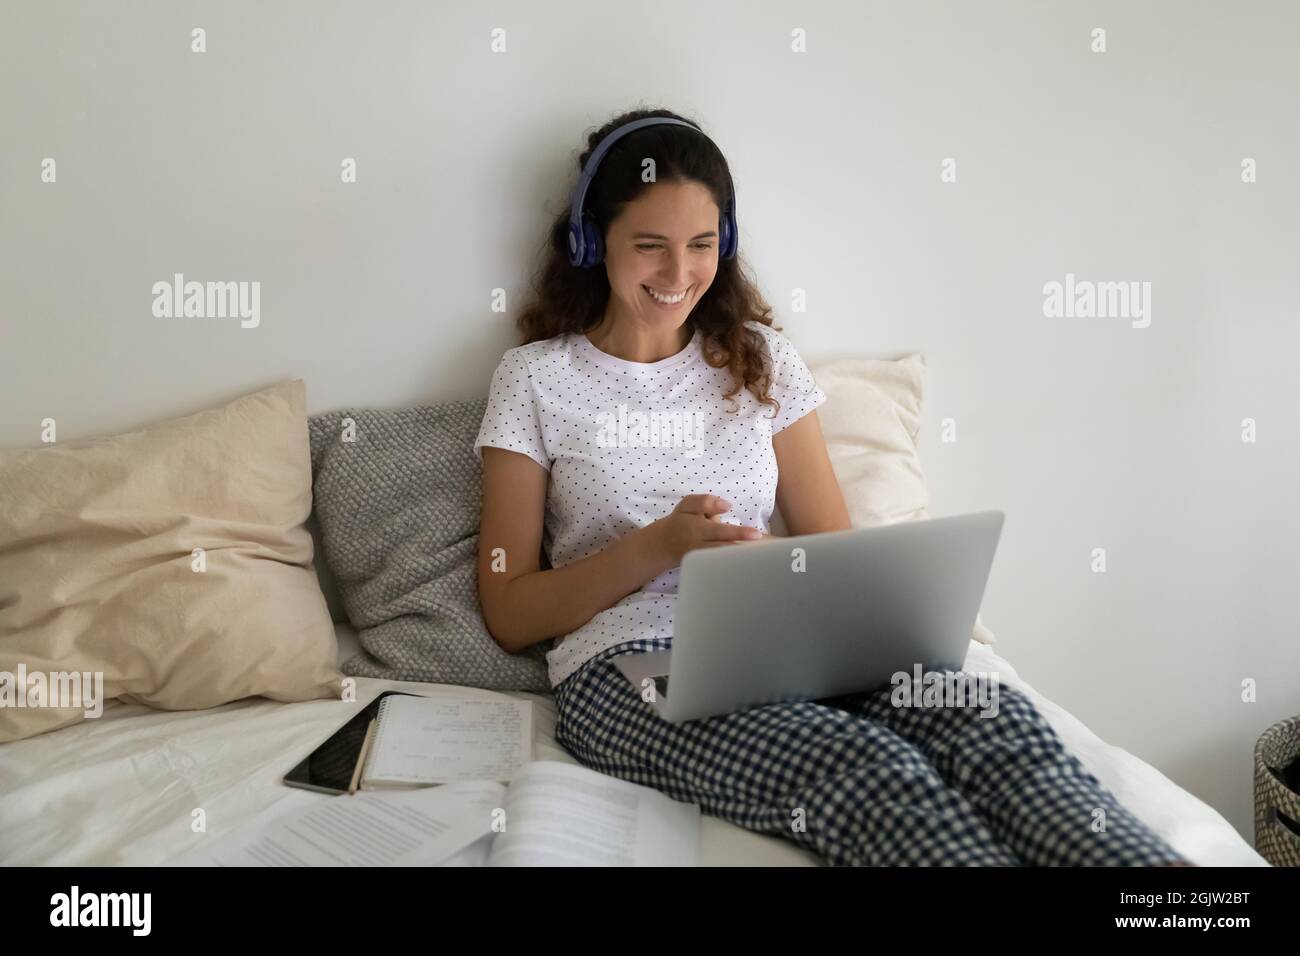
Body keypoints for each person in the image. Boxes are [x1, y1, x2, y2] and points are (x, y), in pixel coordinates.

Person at [473, 106, 1191, 866]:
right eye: (649, 246)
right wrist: (663, 546)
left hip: (790, 645)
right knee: (869, 773)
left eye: (702, 245)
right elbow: (511, 610)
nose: (679, 274)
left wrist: (789, 580)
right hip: (627, 666)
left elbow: (835, 556)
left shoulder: (762, 361)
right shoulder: (536, 381)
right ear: (593, 241)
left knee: (994, 722)